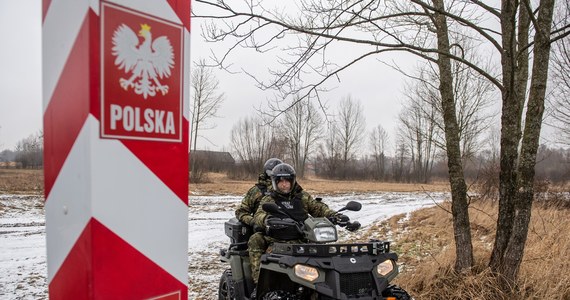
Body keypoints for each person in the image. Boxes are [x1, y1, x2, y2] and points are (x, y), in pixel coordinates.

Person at [247, 163, 348, 287]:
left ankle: (325, 283)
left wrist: (336, 216)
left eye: (287, 181)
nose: (284, 184)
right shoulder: (269, 199)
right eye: (280, 181)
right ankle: (258, 283)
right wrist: (268, 219)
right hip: (276, 238)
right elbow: (258, 215)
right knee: (255, 239)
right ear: (275, 182)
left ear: (292, 181)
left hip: (301, 237)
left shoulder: (302, 196)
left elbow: (319, 208)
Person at [235, 158, 283, 227]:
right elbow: (241, 212)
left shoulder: (288, 189)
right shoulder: (256, 191)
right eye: (271, 172)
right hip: (263, 228)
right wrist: (253, 222)